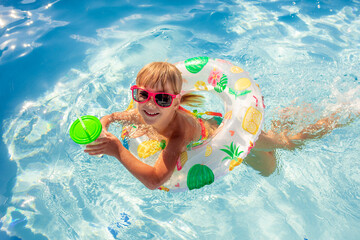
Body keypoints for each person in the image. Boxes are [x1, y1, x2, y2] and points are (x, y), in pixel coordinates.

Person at [84, 61, 352, 189]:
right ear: (136, 95)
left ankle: (341, 113)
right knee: (270, 168)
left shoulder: (177, 135)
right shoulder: (145, 111)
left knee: (286, 146)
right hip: (213, 129)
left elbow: (155, 180)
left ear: (176, 103)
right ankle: (288, 116)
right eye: (142, 95)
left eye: (162, 99)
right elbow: (117, 115)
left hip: (229, 135)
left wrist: (117, 149)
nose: (150, 105)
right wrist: (104, 122)